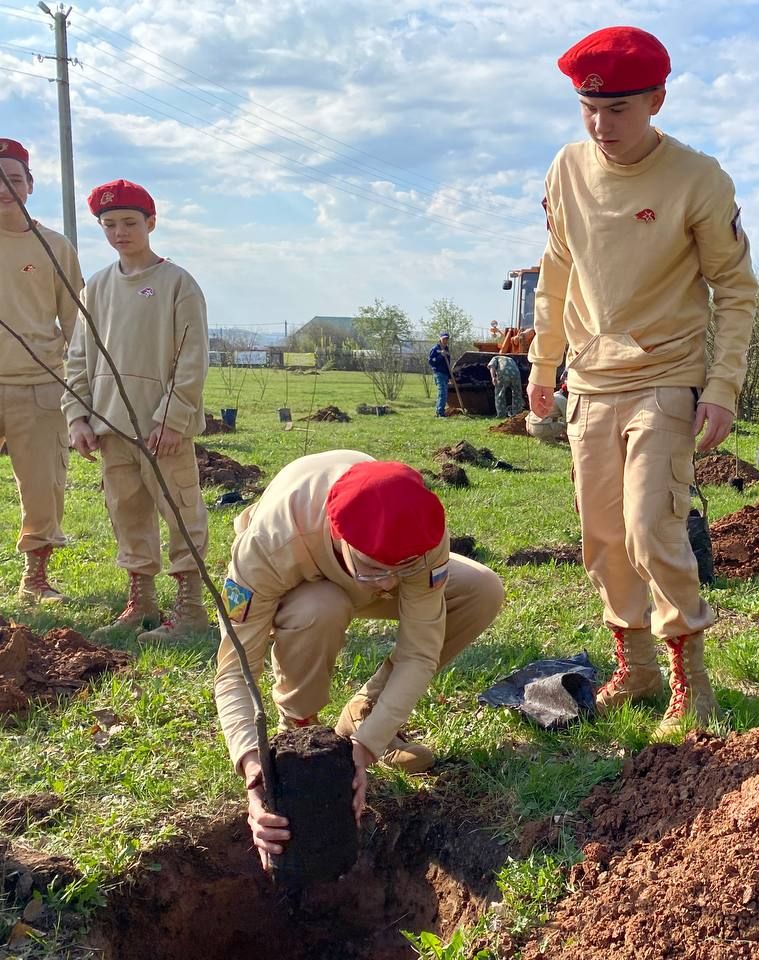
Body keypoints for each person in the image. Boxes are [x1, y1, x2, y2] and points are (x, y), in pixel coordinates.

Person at [526, 26, 758, 735]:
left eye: (619, 108)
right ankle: (638, 667)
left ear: (658, 99)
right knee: (601, 537)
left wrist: (721, 387)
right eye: (588, 109)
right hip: (590, 383)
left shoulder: (698, 179)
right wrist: (544, 363)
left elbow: (736, 290)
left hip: (665, 376)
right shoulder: (566, 169)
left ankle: (692, 680)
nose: (602, 126)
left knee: (650, 526)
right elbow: (556, 272)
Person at [212, 452, 504, 868]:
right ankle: (299, 730)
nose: (388, 585)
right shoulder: (270, 543)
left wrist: (366, 747)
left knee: (481, 589)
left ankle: (364, 715)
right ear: (338, 534)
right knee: (319, 607)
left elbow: (419, 651)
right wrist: (254, 768)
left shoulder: (419, 527)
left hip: (364, 562)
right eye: (375, 569)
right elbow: (235, 671)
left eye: (398, 570)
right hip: (308, 585)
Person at [64, 179, 211, 640]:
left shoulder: (177, 284)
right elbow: (78, 357)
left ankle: (189, 610)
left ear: (151, 223)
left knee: (180, 511)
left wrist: (172, 417)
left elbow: (191, 358)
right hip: (111, 427)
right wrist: (78, 414)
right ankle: (141, 601)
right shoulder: (96, 288)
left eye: (129, 222)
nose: (119, 232)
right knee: (127, 511)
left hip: (160, 428)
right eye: (109, 224)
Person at [0, 138, 83, 603]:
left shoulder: (53, 246)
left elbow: (76, 320)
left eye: (14, 178)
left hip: (39, 386)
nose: (4, 187)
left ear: (30, 185)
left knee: (43, 488)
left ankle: (35, 578)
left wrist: (86, 390)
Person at [488, 352, 524, 418]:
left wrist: (493, 377)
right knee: (517, 393)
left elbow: (492, 367)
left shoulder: (495, 358)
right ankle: (517, 413)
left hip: (504, 373)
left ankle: (501, 414)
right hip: (516, 374)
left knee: (500, 394)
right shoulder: (510, 359)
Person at [428, 333, 452, 417]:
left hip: (445, 374)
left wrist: (450, 377)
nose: (446, 340)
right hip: (439, 373)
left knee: (444, 393)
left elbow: (448, 364)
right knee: (442, 393)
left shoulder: (447, 349)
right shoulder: (435, 349)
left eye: (447, 339)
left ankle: (439, 411)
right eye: (444, 339)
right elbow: (431, 362)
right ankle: (440, 412)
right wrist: (440, 356)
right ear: (440, 339)